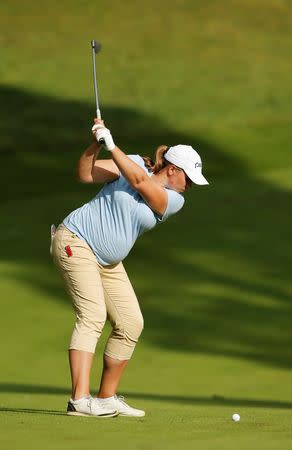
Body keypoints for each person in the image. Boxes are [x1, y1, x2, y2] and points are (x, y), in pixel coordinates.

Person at [51, 119, 209, 418]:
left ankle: (106, 398)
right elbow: (85, 174)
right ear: (172, 169)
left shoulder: (174, 201)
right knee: (93, 315)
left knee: (130, 323)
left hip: (108, 263)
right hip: (75, 241)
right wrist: (95, 145)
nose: (190, 186)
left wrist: (112, 144)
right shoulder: (133, 162)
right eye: (188, 178)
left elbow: (140, 182)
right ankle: (79, 400)